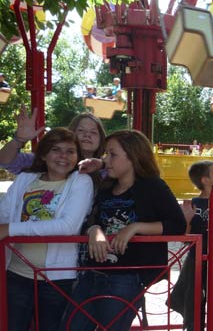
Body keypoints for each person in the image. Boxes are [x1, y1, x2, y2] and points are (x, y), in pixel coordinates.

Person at [60, 130, 187, 331]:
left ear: (133, 156)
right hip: (92, 272)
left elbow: (177, 224)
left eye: (112, 154)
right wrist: (94, 230)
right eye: (105, 154)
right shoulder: (106, 187)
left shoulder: (153, 186)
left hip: (126, 276)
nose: (106, 160)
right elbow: (91, 220)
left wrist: (135, 228)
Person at [0, 128, 94, 331]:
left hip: (56, 277)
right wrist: (6, 227)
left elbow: (67, 227)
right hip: (16, 272)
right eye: (56, 150)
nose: (63, 156)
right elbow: (4, 212)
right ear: (43, 154)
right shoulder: (26, 179)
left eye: (70, 151)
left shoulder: (81, 181)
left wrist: (10, 229)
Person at [170, 160, 213, 330]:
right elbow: (185, 239)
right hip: (197, 258)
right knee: (194, 298)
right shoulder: (194, 204)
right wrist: (187, 220)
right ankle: (193, 327)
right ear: (205, 180)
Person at [0, 109, 106, 176]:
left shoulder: (108, 169)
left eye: (93, 132)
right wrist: (19, 140)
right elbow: (5, 161)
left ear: (101, 139)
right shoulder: (49, 161)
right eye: (81, 130)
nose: (87, 135)